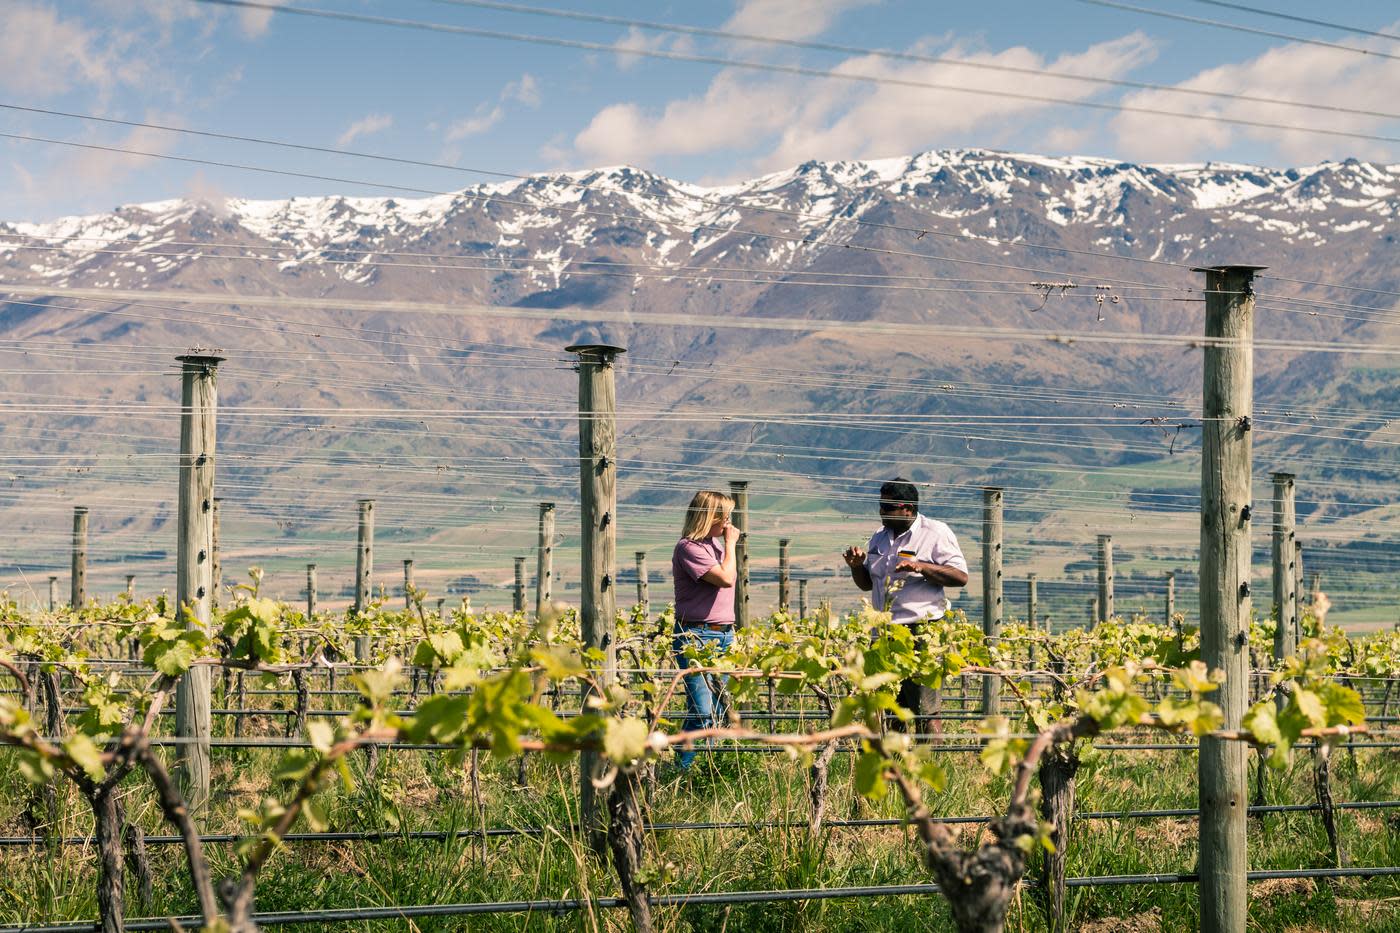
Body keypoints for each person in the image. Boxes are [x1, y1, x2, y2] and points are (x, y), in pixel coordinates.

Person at [843, 478, 969, 732]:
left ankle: (928, 764)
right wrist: (857, 567)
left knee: (924, 707)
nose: (881, 512)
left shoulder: (935, 532)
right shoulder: (879, 538)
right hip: (885, 634)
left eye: (888, 507)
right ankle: (894, 767)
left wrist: (921, 566)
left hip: (921, 631)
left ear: (907, 509)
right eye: (880, 506)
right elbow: (867, 584)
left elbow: (960, 576)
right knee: (888, 707)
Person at [670, 489, 741, 770]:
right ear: (709, 517)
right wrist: (732, 544)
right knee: (702, 710)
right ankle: (682, 770)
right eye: (724, 517)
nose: (728, 523)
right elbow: (725, 578)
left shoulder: (716, 547)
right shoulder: (689, 548)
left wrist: (726, 546)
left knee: (719, 709)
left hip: (723, 634)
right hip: (697, 636)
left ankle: (707, 771)